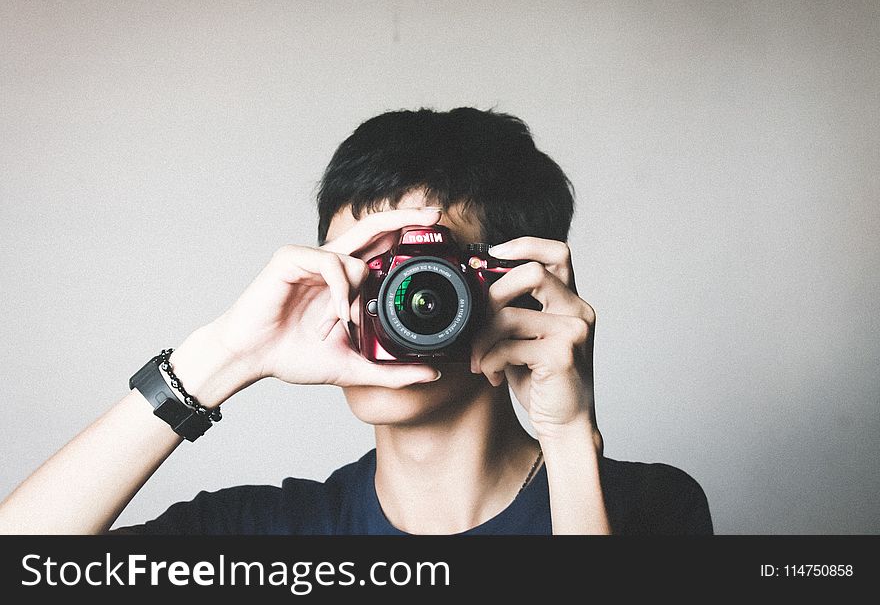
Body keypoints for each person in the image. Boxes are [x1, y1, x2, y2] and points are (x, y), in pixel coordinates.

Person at [0, 107, 712, 535]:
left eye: (421, 277)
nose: (388, 300)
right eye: (360, 267)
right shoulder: (264, 535)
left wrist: (568, 438)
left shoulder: (645, 507)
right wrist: (220, 358)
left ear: (520, 291)